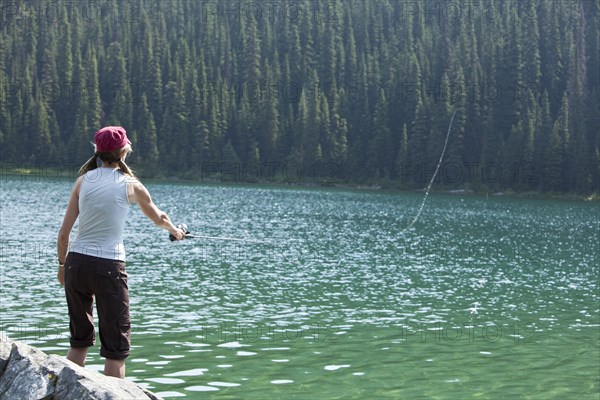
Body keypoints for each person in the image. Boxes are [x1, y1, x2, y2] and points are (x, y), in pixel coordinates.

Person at [56, 126, 185, 378]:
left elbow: (63, 235)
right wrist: (176, 231)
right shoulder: (131, 185)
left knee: (78, 341)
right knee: (115, 349)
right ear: (124, 151)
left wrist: (62, 266)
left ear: (97, 151)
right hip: (109, 267)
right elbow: (159, 218)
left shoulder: (82, 181)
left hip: (76, 265)